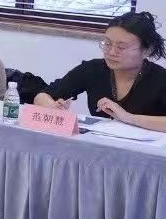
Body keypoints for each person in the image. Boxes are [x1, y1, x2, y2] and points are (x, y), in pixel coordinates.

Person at [34, 11, 166, 131]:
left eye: (121, 47)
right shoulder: (93, 69)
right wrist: (52, 107)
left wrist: (128, 117)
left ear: (146, 51)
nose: (111, 52)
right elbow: (42, 96)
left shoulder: (160, 78)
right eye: (107, 44)